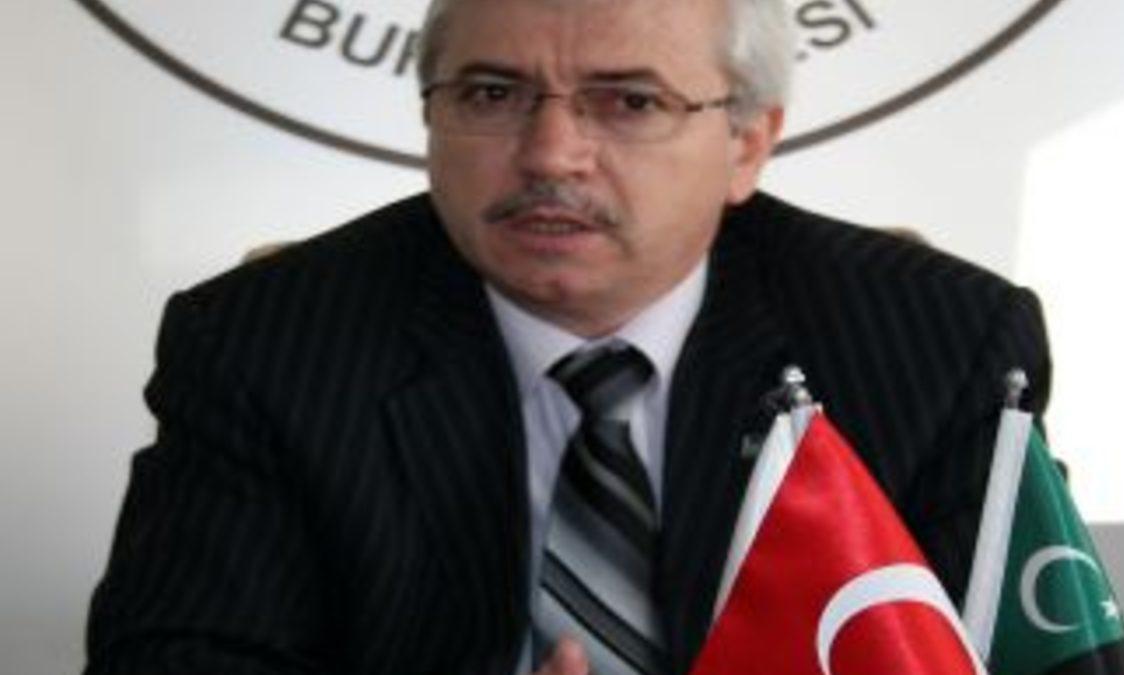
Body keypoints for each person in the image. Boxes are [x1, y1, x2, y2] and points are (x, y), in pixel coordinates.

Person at [84, 0, 1051, 673]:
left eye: (629, 101)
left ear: (747, 143)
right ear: (431, 115)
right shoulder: (266, 343)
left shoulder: (939, 344)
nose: (550, 154)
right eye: (491, 94)